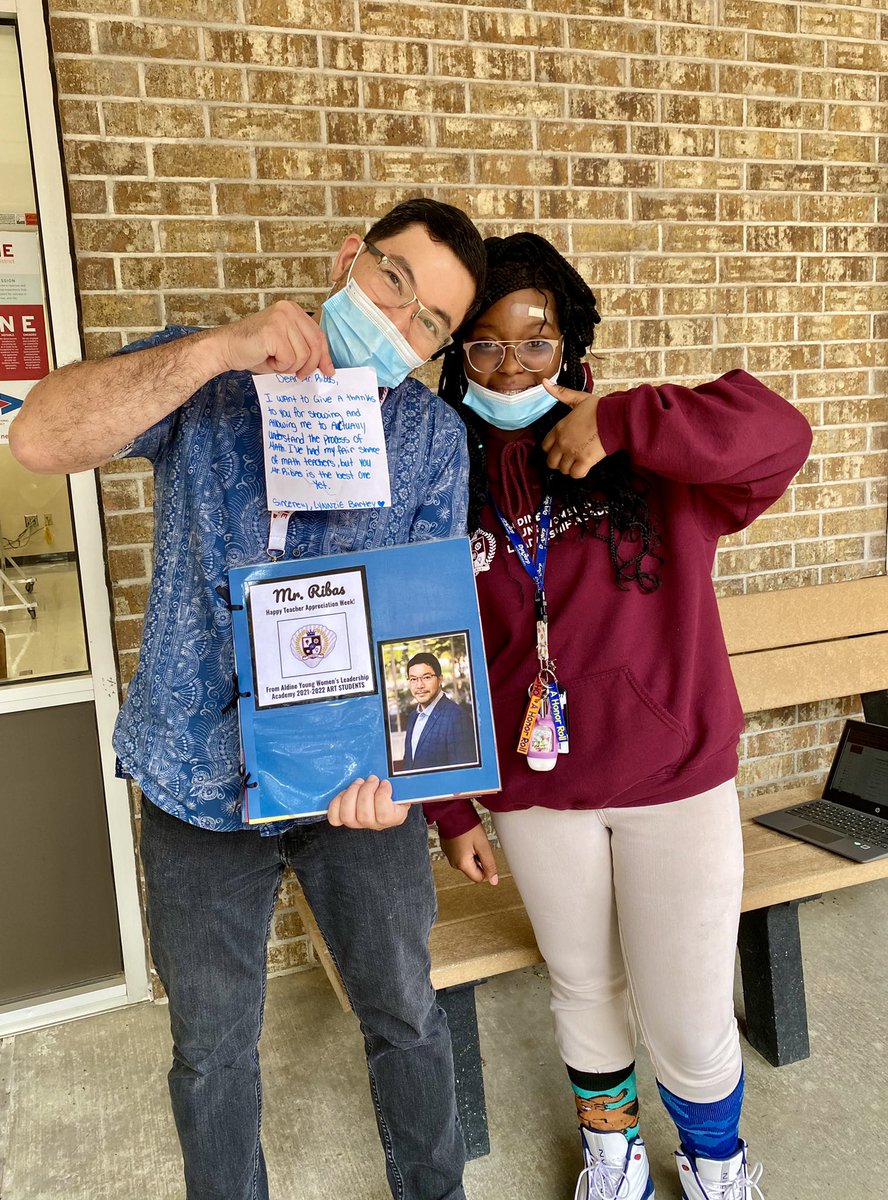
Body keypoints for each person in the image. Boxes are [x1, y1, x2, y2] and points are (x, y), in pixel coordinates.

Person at [11, 198, 486, 1200]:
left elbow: (430, 625)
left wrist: (409, 782)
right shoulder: (211, 376)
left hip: (358, 793)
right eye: (395, 283)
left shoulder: (433, 440)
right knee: (213, 1047)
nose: (402, 324)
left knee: (406, 1013)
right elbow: (42, 438)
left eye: (431, 323)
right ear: (350, 255)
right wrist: (218, 350)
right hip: (195, 784)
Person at [427, 232, 812, 1200]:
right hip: (533, 794)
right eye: (484, 344)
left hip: (671, 777)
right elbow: (423, 649)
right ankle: (615, 1154)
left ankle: (716, 1159)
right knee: (584, 988)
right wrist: (451, 808)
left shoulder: (657, 460)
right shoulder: (442, 483)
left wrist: (626, 422)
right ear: (457, 357)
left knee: (685, 1008)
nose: (510, 364)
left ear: (571, 345)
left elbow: (780, 432)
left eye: (535, 340)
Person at [402, 652, 476, 771]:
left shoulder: (456, 717)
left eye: (426, 677)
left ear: (440, 679)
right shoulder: (412, 717)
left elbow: (464, 775)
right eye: (413, 679)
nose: (419, 685)